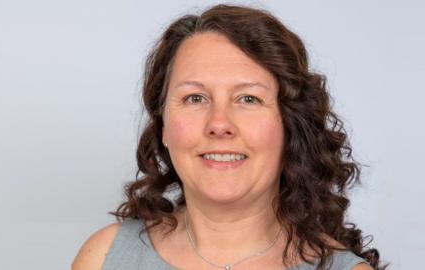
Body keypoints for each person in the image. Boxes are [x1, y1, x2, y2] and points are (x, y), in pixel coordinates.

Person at [72, 4, 387, 270]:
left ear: (291, 124)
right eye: (195, 98)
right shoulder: (103, 258)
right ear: (164, 126)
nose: (219, 124)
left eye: (248, 99)